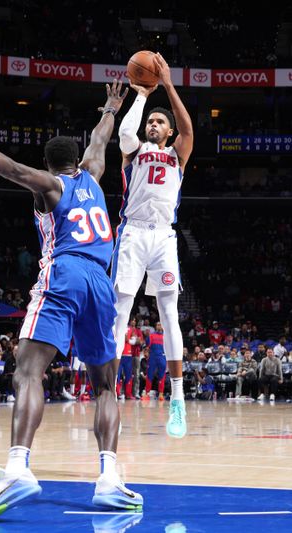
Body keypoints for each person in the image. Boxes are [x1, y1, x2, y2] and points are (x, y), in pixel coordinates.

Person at [0, 80, 142, 522]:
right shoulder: (94, 176)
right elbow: (102, 137)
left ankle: (17, 468)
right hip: (102, 284)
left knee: (28, 371)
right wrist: (112, 104)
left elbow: (14, 171)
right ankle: (109, 479)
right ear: (78, 160)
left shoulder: (51, 186)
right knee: (106, 385)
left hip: (64, 274)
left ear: (50, 164)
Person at [113, 52, 193, 438]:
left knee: (169, 314)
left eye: (160, 122)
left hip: (163, 235)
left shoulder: (177, 155)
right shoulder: (135, 150)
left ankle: (177, 399)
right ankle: (107, 394)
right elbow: (125, 134)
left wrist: (169, 86)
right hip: (133, 232)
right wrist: (143, 95)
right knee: (121, 309)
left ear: (169, 130)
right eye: (151, 122)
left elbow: (189, 129)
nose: (153, 126)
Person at [145, 322, 167, 399]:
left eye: (160, 325)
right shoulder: (151, 335)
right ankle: (147, 393)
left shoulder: (165, 336)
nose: (159, 326)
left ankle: (161, 393)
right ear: (155, 326)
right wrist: (147, 336)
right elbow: (147, 344)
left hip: (162, 357)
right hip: (153, 357)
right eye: (158, 325)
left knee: (162, 375)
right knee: (149, 374)